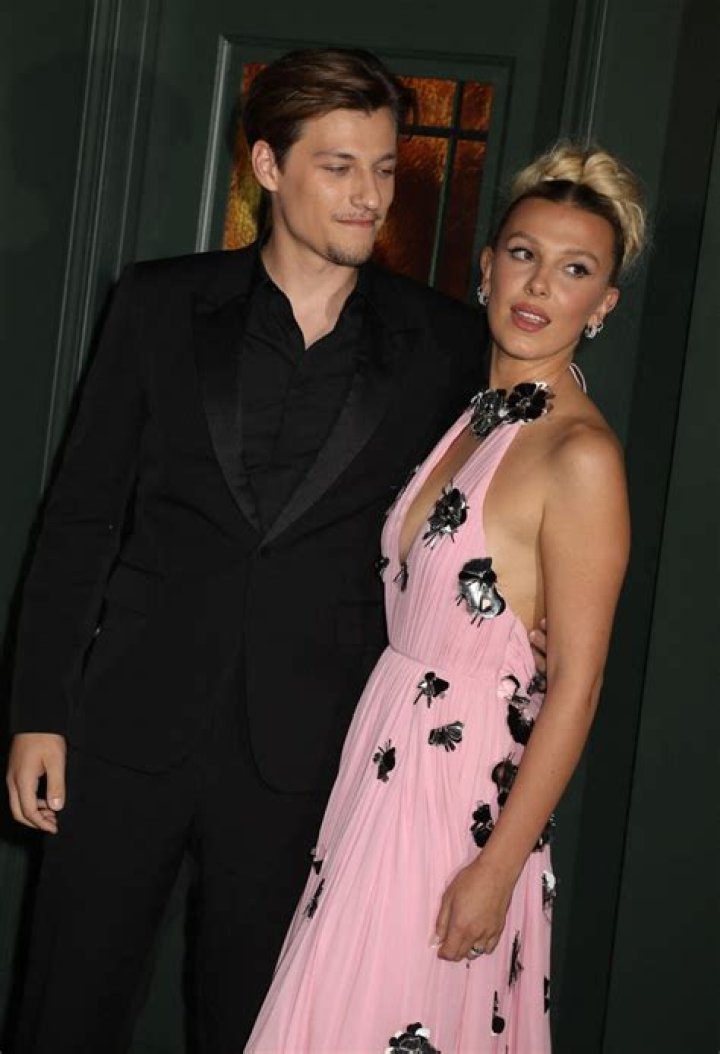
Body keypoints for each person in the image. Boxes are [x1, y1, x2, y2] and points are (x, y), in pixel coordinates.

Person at [4, 49, 498, 1053]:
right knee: (67, 1006)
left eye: (384, 168)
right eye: (339, 166)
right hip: (126, 724)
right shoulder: (156, 303)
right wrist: (37, 713)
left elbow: (468, 527)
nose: (370, 197)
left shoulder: (445, 342)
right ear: (268, 166)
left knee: (259, 1027)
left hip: (313, 747)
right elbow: (81, 517)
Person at [245, 142, 646, 1054]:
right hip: (383, 767)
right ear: (486, 266)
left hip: (456, 804)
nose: (539, 285)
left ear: (604, 304)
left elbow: (577, 688)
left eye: (575, 270)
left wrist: (496, 868)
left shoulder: (581, 457)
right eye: (524, 254)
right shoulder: (474, 417)